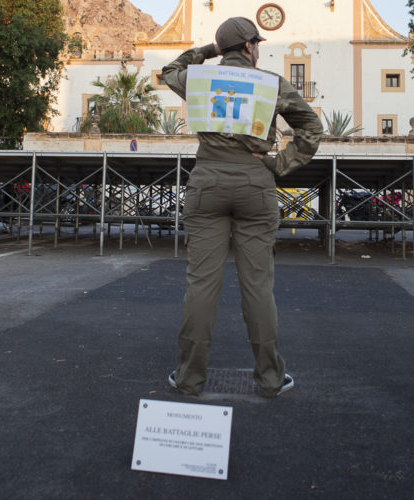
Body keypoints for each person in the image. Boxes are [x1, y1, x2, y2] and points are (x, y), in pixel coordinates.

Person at [162, 17, 323, 398]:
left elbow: (170, 71)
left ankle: (189, 377)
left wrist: (207, 51)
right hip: (255, 182)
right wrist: (279, 163)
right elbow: (311, 129)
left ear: (224, 49)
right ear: (250, 46)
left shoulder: (199, 80)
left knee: (201, 283)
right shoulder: (271, 84)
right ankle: (269, 378)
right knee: (257, 285)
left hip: (207, 181)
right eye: (257, 43)